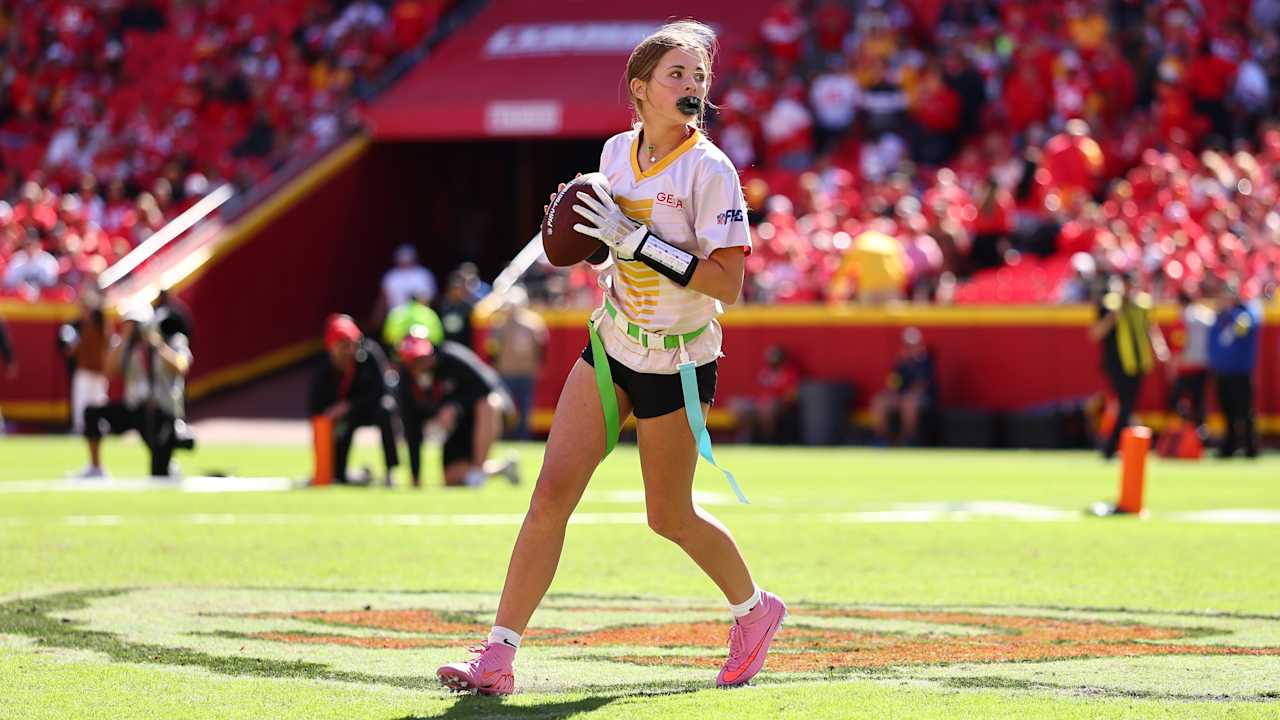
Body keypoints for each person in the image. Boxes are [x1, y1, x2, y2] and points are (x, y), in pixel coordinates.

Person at [436, 21, 786, 696]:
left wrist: (639, 243)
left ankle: (756, 610)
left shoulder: (711, 169)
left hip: (679, 360)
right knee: (548, 495)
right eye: (676, 75)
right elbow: (607, 249)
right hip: (613, 343)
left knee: (669, 516)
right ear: (640, 89)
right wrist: (596, 241)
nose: (691, 87)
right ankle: (497, 657)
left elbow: (728, 284)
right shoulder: (613, 156)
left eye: (698, 77)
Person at [79, 304, 193, 478]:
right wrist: (124, 340)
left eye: (136, 324)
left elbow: (181, 367)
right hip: (135, 409)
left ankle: (167, 462)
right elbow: (108, 371)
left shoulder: (170, 339)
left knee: (159, 474)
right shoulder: (127, 346)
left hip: (161, 411)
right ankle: (96, 468)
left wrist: (157, 345)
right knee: (92, 412)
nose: (133, 329)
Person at [397, 331, 518, 488]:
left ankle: (478, 470)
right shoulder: (406, 383)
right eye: (414, 361)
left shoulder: (453, 359)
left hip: (485, 414)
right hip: (458, 426)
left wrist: (456, 406)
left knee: (488, 404)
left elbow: (486, 389)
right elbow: (411, 428)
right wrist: (415, 476)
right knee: (452, 478)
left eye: (422, 358)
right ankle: (501, 468)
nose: (421, 364)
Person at [306, 314, 399, 486]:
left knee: (386, 409)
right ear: (331, 347)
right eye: (342, 346)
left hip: (368, 409)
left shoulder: (369, 356)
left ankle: (391, 472)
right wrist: (329, 418)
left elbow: (381, 391)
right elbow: (315, 407)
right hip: (343, 418)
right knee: (336, 471)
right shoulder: (322, 369)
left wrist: (349, 405)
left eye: (351, 345)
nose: (348, 351)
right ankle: (340, 473)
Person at [1089, 274, 1169, 459]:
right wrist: (1113, 316)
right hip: (1117, 364)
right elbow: (1096, 333)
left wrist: (1159, 347)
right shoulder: (1109, 304)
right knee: (1125, 405)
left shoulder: (1142, 304)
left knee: (1127, 406)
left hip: (1139, 363)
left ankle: (1116, 445)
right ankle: (1111, 447)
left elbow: (1150, 327)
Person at [1208, 280, 1262, 458]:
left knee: (1244, 411)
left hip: (1240, 371)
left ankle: (1250, 447)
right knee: (1227, 411)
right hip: (1222, 371)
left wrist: (1243, 317)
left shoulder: (1245, 313)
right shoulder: (1220, 317)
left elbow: (1254, 318)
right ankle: (1229, 446)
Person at [486, 286, 548, 440]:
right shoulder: (533, 323)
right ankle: (520, 436)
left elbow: (492, 349)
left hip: (511, 370)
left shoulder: (501, 324)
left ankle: (510, 435)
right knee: (518, 406)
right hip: (518, 370)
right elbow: (542, 347)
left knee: (511, 407)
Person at [869, 327, 937, 446]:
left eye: (912, 345)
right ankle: (881, 438)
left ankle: (908, 439)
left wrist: (904, 397)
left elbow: (921, 386)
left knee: (909, 402)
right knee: (879, 401)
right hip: (901, 396)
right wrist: (893, 393)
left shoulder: (925, 361)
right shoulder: (901, 363)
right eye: (907, 345)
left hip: (921, 398)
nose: (909, 348)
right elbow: (893, 384)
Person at [62, 288, 113, 434]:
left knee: (98, 401)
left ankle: (99, 429)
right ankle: (81, 429)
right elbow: (74, 349)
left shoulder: (100, 324)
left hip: (97, 371)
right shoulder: (79, 326)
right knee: (81, 403)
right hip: (85, 370)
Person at [731, 345, 800, 444]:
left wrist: (774, 401)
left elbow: (791, 396)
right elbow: (755, 392)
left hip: (779, 404)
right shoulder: (765, 372)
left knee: (767, 409)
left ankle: (769, 440)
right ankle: (746, 439)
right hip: (760, 403)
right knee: (739, 406)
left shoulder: (789, 373)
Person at [1167, 289, 1214, 431]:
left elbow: (1179, 343)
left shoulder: (1183, 317)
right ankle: (1200, 431)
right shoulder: (1207, 315)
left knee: (1175, 399)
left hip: (1186, 366)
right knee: (1199, 401)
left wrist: (1173, 367)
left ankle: (1188, 425)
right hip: (1204, 365)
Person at [375, 244, 438, 326]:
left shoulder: (424, 274)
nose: (405, 262)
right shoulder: (391, 276)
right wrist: (377, 318)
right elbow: (383, 300)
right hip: (396, 319)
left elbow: (431, 299)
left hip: (420, 320)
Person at [437, 266, 478, 349]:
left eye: (459, 288)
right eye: (454, 288)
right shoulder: (439, 305)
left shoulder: (468, 308)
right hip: (444, 348)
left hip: (464, 349)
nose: (457, 291)